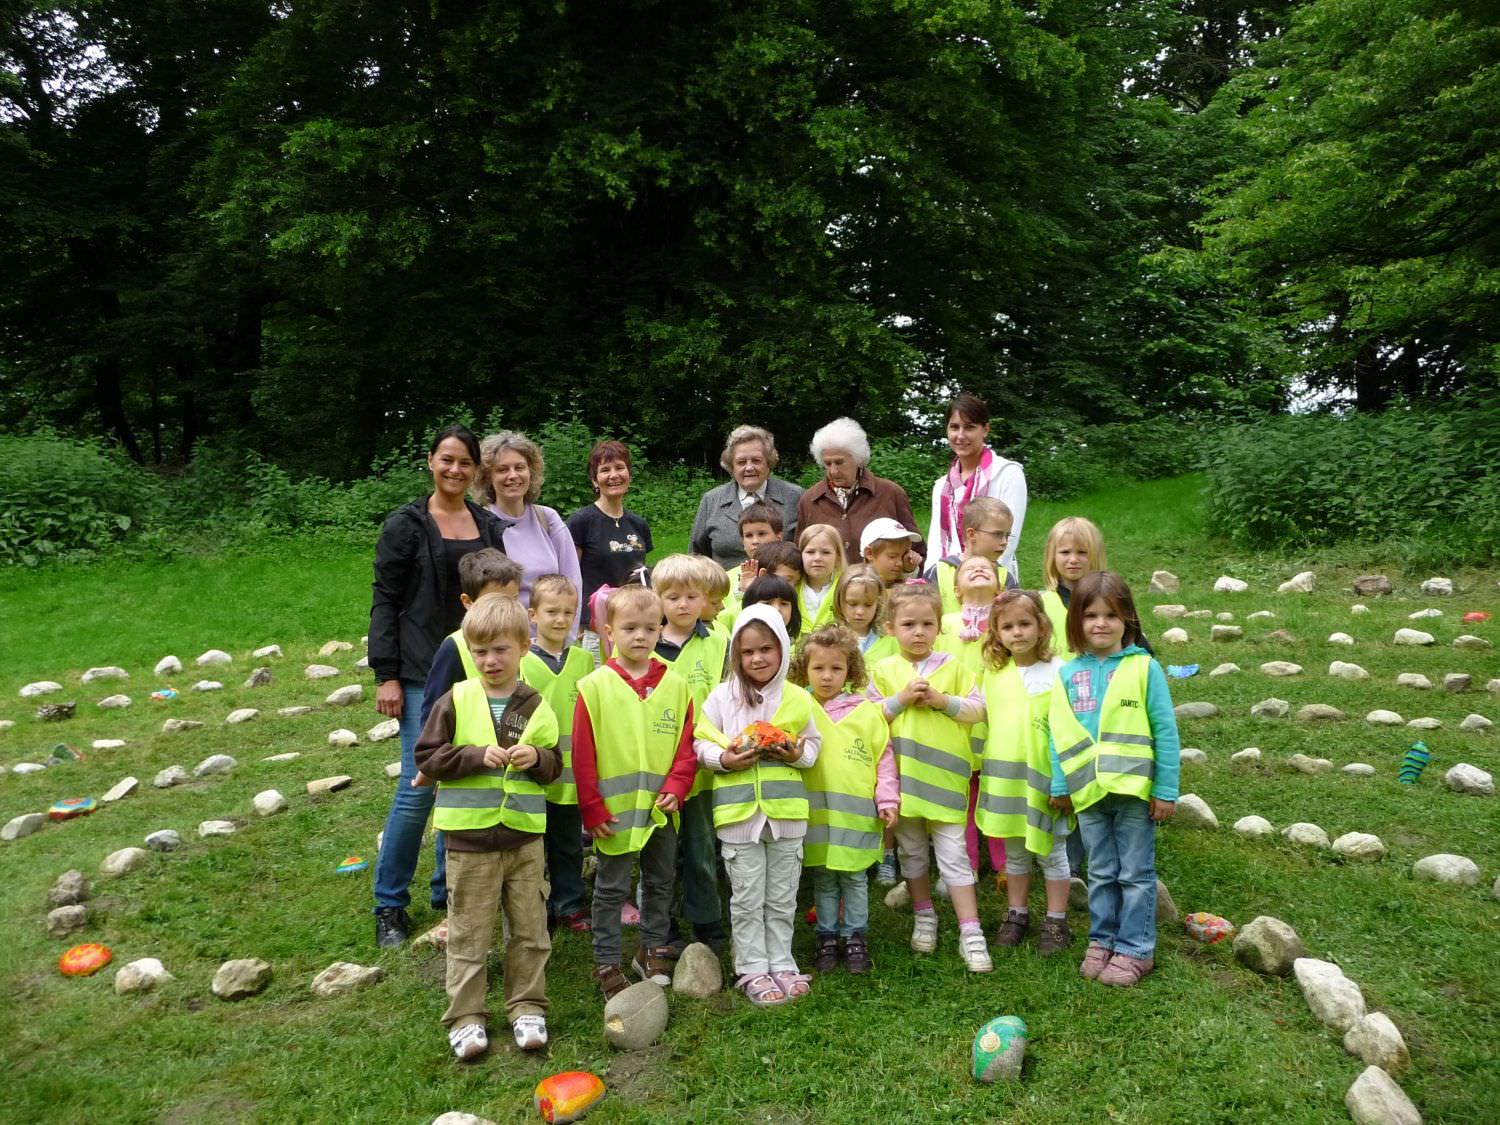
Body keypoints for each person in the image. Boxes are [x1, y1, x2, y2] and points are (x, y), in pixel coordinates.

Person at [369, 425, 508, 948]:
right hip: (421, 668)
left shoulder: (489, 525)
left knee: (466, 781)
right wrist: (386, 673)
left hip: (478, 669)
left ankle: (444, 890)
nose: (455, 470)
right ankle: (389, 904)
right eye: (446, 460)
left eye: (465, 463)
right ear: (431, 461)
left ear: (476, 470)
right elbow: (386, 599)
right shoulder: (406, 525)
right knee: (417, 788)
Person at [413, 594, 561, 1058]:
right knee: (469, 932)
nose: (489, 660)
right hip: (469, 842)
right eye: (479, 651)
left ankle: (527, 1005)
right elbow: (427, 756)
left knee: (530, 929)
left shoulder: (535, 705)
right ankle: (466, 1015)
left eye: (500, 649)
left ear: (523, 647)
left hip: (524, 840)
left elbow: (555, 764)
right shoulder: (455, 700)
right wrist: (475, 756)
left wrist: (537, 757)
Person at [373, 549, 522, 947]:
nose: (505, 609)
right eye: (494, 601)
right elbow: (433, 706)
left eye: (512, 600)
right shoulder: (455, 646)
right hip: (454, 753)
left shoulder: (515, 644)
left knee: (458, 821)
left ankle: (445, 891)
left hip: (489, 757)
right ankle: (389, 902)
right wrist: (433, 760)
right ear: (468, 603)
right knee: (421, 804)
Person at [1048, 571, 1180, 987]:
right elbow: (1059, 732)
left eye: (1111, 615)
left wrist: (1166, 789)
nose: (1100, 624)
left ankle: (1136, 948)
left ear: (1128, 620)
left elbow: (1166, 732)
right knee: (1101, 871)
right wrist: (1060, 784)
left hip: (1133, 793)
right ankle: (1102, 939)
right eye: (1090, 616)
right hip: (1088, 792)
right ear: (1076, 622)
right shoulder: (1068, 674)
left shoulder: (1145, 669)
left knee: (1136, 873)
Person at [572, 585, 698, 999]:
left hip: (662, 809)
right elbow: (583, 753)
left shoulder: (676, 685)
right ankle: (606, 960)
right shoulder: (594, 687)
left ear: (660, 629)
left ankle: (652, 946)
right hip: (614, 812)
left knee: (660, 879)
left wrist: (678, 786)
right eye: (629, 628)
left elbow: (686, 743)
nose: (640, 636)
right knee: (611, 887)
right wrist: (592, 808)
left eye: (649, 627)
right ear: (609, 632)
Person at [696, 605, 821, 1007]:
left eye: (767, 649)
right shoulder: (722, 698)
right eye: (748, 652)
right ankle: (751, 966)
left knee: (783, 895)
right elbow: (701, 742)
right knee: (747, 895)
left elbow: (813, 748)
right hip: (738, 815)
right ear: (736, 654)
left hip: (786, 815)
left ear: (783, 649)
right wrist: (724, 760)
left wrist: (795, 755)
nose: (758, 658)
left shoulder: (799, 699)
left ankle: (782, 962)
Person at [866, 582, 990, 972]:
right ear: (890, 628)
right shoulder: (883, 671)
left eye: (926, 624)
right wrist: (899, 700)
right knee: (913, 853)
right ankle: (924, 914)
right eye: (908, 624)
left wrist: (943, 701)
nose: (918, 632)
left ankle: (972, 932)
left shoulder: (954, 667)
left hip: (945, 782)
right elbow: (869, 719)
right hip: (902, 783)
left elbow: (978, 710)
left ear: (939, 627)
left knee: (954, 856)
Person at [791, 625, 895, 975]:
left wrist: (887, 800)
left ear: (850, 671)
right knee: (823, 878)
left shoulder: (867, 712)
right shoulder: (799, 708)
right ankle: (826, 936)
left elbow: (884, 759)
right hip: (818, 819)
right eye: (818, 668)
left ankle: (855, 936)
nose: (826, 676)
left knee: (853, 879)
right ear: (804, 670)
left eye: (836, 668)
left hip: (857, 817)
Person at [977, 590, 1072, 956]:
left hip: (1047, 781)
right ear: (996, 633)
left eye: (1025, 624)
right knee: (1015, 852)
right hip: (1006, 781)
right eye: (1008, 627)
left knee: (1053, 852)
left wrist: (1064, 783)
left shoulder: (1059, 671)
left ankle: (1056, 919)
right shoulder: (994, 675)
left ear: (1042, 626)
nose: (1017, 633)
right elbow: (980, 717)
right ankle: (1017, 914)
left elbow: (1068, 729)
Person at [650, 554, 730, 954]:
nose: (682, 605)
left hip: (701, 765)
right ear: (657, 599)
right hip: (655, 766)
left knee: (700, 847)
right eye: (673, 596)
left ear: (705, 600)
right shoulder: (645, 642)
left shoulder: (718, 643)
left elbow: (729, 696)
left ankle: (706, 920)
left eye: (692, 596)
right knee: (655, 849)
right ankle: (658, 923)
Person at [519, 574, 595, 934]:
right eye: (552, 611)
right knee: (531, 849)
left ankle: (569, 904)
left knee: (568, 844)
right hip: (531, 774)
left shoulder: (582, 660)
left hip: (570, 777)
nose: (561, 619)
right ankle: (533, 909)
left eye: (569, 611)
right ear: (533, 614)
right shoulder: (521, 663)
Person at [479, 430, 584, 637]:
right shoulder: (480, 524)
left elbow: (573, 584)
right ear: (488, 477)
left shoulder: (548, 519)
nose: (513, 475)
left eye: (520, 467)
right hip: (503, 643)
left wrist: (567, 641)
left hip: (552, 641)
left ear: (531, 472)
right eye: (502, 469)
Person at [927, 392, 1028, 584]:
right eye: (954, 427)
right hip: (949, 580)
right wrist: (933, 580)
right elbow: (936, 543)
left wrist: (982, 577)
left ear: (986, 429)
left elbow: (1008, 540)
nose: (960, 435)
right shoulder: (942, 486)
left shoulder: (1008, 474)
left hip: (993, 579)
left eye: (970, 427)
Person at [797, 417, 925, 562]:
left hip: (881, 583)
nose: (833, 471)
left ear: (858, 459)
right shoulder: (810, 500)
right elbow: (800, 553)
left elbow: (916, 550)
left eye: (839, 462)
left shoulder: (890, 493)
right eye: (827, 463)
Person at [568, 440, 653, 640]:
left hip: (634, 626)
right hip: (595, 628)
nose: (613, 475)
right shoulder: (581, 522)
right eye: (605, 470)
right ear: (594, 480)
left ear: (629, 475)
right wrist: (577, 623)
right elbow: (570, 578)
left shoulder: (638, 524)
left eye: (620, 468)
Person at [690, 425, 803, 567]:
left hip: (782, 587)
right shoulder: (711, 500)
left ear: (768, 463)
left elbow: (808, 548)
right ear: (732, 467)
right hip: (725, 587)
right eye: (741, 462)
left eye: (756, 460)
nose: (749, 468)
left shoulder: (795, 496)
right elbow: (696, 556)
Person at [926, 497, 1017, 617]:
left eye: (1007, 535)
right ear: (971, 534)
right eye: (997, 534)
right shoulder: (939, 571)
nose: (1004, 542)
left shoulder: (1005, 577)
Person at [1039, 516, 1108, 656]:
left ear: (1096, 554)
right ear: (1052, 556)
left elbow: (1139, 649)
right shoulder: (1040, 604)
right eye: (1065, 552)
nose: (1073, 560)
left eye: (1082, 552)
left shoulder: (1112, 599)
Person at [833, 564, 896, 665]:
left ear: (878, 603)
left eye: (868, 605)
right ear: (839, 600)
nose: (860, 612)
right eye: (852, 604)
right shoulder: (828, 640)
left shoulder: (892, 639)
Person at [797, 523, 845, 637]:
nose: (817, 558)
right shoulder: (792, 586)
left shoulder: (845, 587)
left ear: (837, 556)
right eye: (810, 552)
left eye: (826, 552)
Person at [860, 517, 922, 586]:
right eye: (892, 556)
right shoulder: (858, 590)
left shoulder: (897, 584)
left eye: (903, 556)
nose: (900, 563)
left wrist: (908, 571)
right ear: (869, 553)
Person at [742, 572, 801, 638]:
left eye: (784, 604)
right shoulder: (742, 644)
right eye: (767, 603)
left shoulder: (798, 646)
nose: (777, 609)